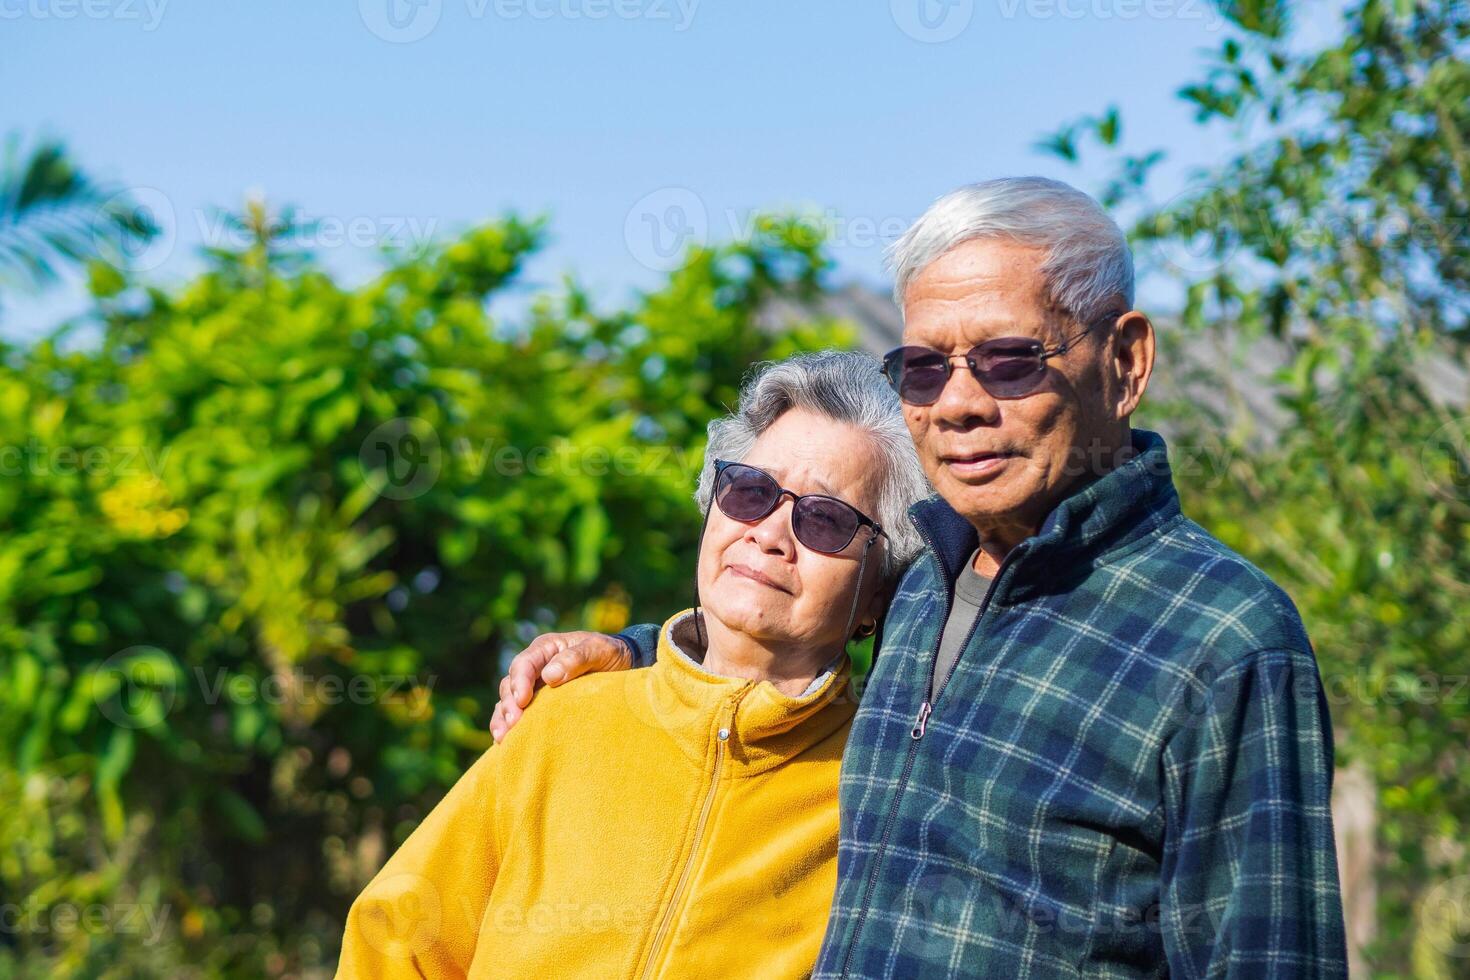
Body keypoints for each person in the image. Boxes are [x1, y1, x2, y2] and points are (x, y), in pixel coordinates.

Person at [491, 177, 1349, 977]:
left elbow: (1269, 955)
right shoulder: (921, 577)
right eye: (926, 368)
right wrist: (630, 648)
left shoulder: (1223, 637)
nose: (958, 404)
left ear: (1124, 362)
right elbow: (784, 623)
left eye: (1010, 360)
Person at [336, 351, 931, 978]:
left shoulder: (874, 794)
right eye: (752, 491)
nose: (769, 533)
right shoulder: (563, 720)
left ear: (878, 592)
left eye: (827, 518)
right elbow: (398, 937)